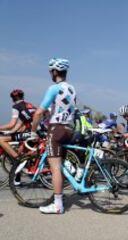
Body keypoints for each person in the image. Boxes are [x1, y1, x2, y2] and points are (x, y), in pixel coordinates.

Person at [30, 58, 76, 214]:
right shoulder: (71, 89)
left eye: (51, 71)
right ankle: (59, 197)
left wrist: (33, 131)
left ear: (55, 72)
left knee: (55, 168)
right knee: (60, 166)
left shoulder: (53, 88)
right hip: (69, 129)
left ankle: (57, 205)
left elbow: (39, 112)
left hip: (56, 129)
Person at [0, 89, 36, 161]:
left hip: (32, 133)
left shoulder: (16, 107)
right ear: (23, 96)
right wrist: (12, 131)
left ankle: (18, 159)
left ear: (12, 99)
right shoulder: (29, 105)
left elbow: (11, 124)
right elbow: (21, 122)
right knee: (22, 147)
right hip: (38, 132)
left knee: (1, 139)